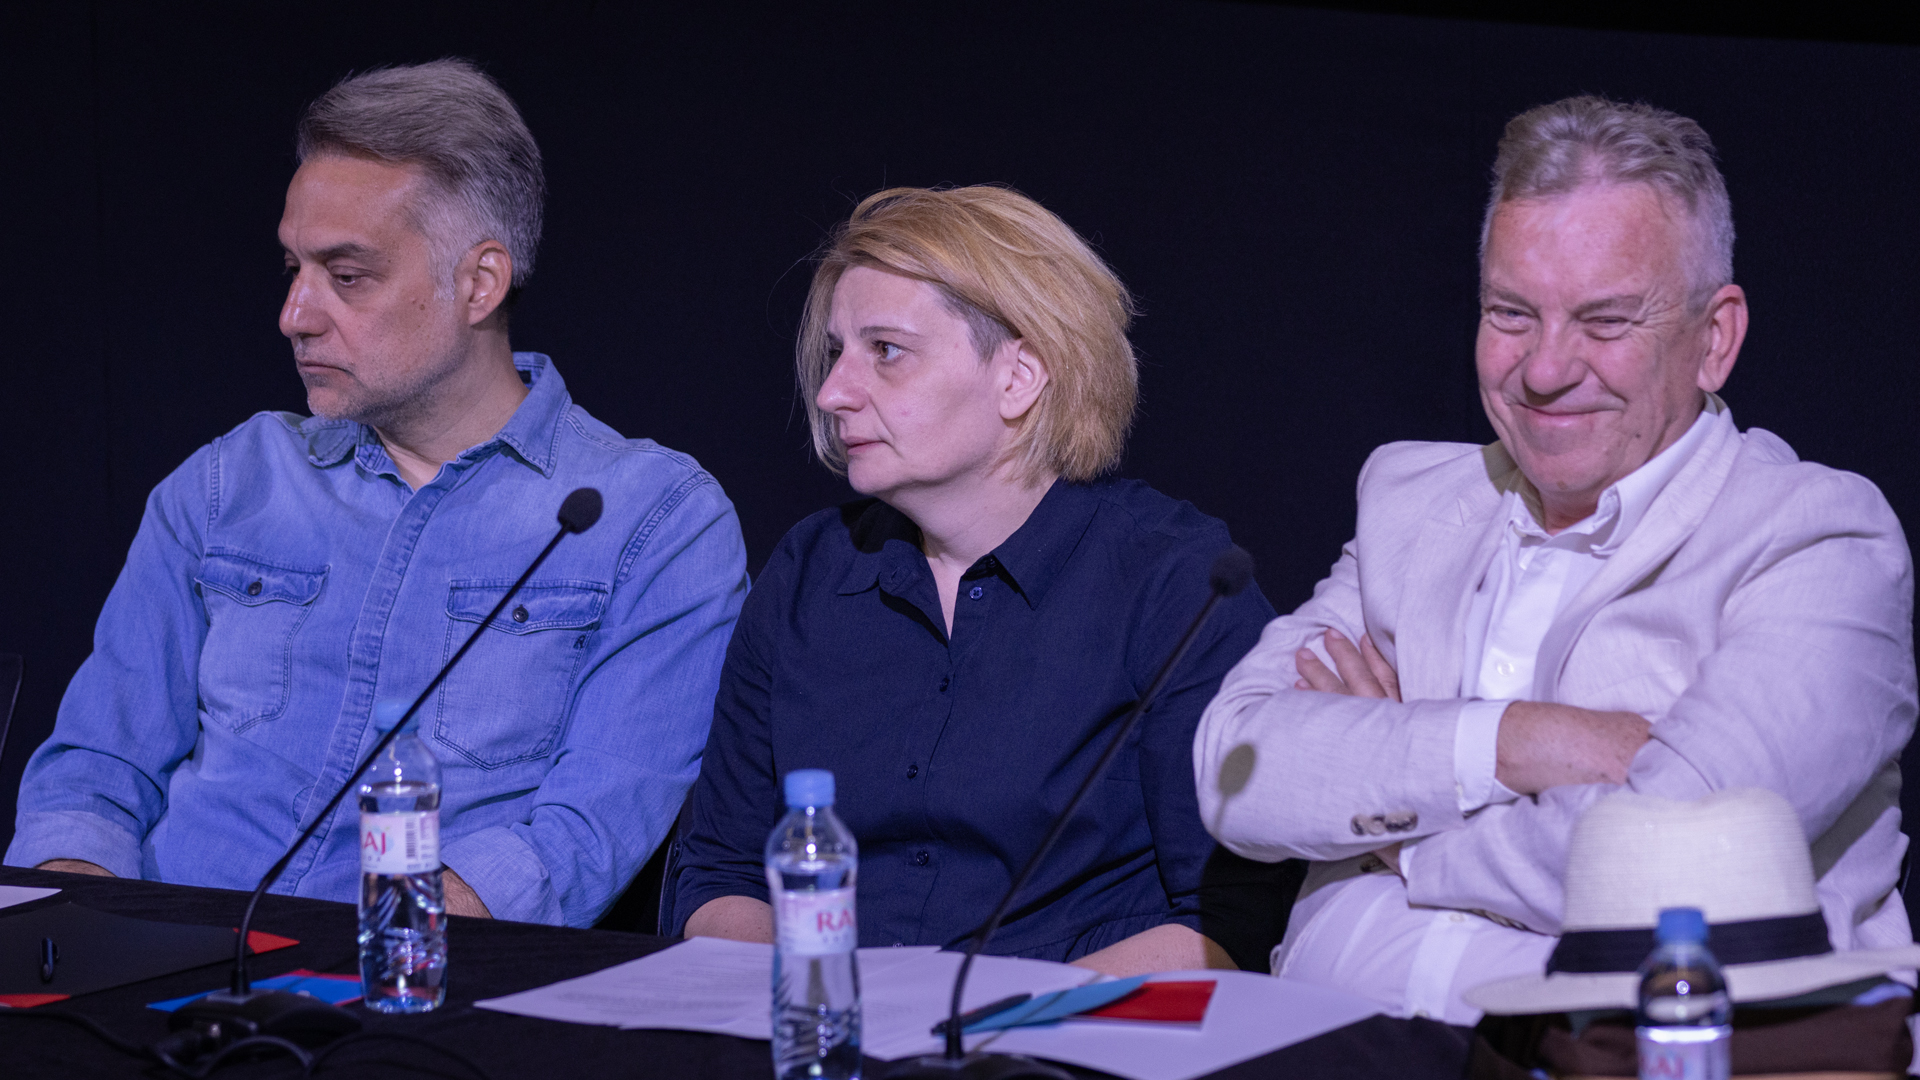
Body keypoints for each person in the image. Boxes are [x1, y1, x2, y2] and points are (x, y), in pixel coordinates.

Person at [1194, 96, 1916, 1023]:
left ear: (1714, 339)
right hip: (1327, 1045)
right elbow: (1237, 769)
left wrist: (1405, 838)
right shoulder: (1412, 501)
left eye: (1604, 321)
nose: (1543, 370)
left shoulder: (1819, 539)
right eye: (1511, 313)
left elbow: (1682, 863)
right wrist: (1523, 741)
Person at [5, 60, 749, 928]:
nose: (294, 314)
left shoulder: (653, 521)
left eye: (347, 275)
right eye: (293, 267)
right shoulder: (225, 483)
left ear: (479, 282)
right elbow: (96, 770)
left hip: (415, 981)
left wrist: (379, 956)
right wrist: (77, 940)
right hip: (161, 968)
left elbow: (582, 832)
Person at [668, 186, 1276, 974]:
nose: (832, 392)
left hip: (1067, 1030)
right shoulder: (806, 575)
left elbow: (1228, 923)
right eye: (837, 353)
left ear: (1019, 377)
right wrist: (818, 1000)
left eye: (886, 350)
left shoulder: (1177, 585)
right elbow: (720, 875)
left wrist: (989, 1023)